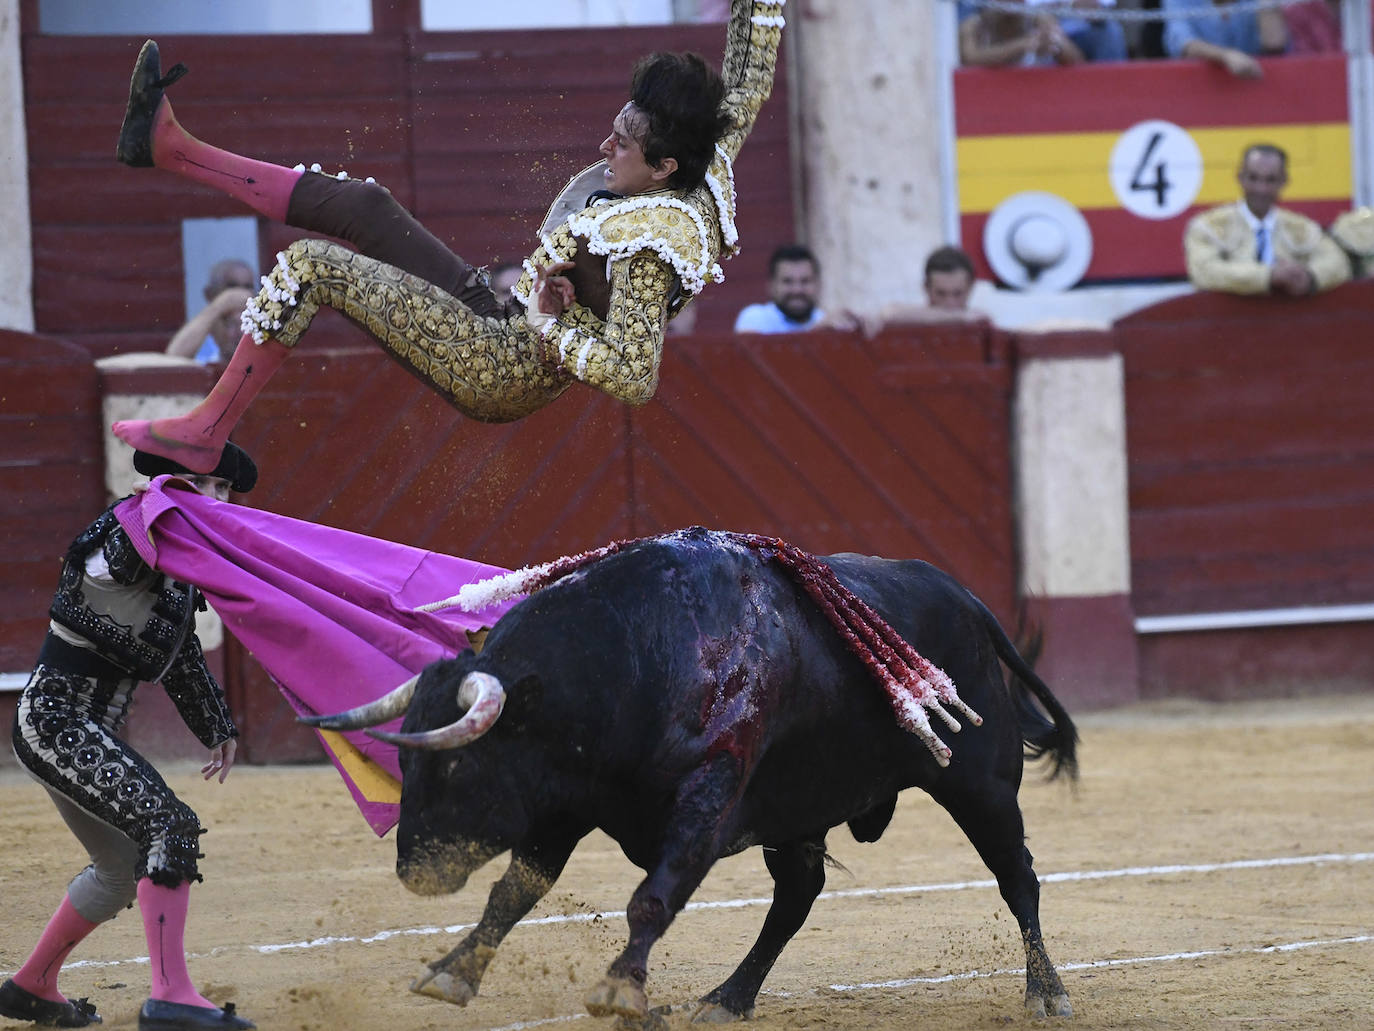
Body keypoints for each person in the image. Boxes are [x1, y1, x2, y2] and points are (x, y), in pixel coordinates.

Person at [111, 0, 785, 475]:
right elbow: (753, 63)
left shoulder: (652, 251)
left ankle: (205, 431)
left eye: (625, 144)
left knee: (313, 266)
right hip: (494, 315)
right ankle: (170, 149)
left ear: (666, 169)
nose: (605, 144)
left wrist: (552, 329)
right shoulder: (702, 144)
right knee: (367, 205)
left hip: (500, 367)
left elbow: (634, 377)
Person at [1, 444, 258, 1031]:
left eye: (222, 490)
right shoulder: (123, 533)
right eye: (197, 485)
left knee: (118, 868)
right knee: (168, 826)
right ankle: (170, 995)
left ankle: (31, 986)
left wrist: (215, 724)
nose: (213, 500)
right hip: (55, 719)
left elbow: (181, 652)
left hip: (81, 726)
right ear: (166, 484)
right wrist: (147, 512)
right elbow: (116, 562)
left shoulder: (179, 572)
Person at [1183, 143, 1350, 296]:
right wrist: (1268, 277)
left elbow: (1337, 262)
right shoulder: (1207, 227)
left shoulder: (1300, 228)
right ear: (1240, 178)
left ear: (1283, 181)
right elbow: (1203, 272)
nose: (1261, 189)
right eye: (1253, 178)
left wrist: (1310, 277)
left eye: (1270, 180)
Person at [853, 245, 987, 336]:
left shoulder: (980, 321)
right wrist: (959, 317)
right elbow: (889, 314)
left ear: (970, 288)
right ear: (926, 288)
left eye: (957, 293)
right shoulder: (909, 319)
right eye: (941, 293)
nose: (950, 302)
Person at [1162, 0, 1288, 78]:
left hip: (1259, 84)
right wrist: (1226, 56)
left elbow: (1274, 43)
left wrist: (1266, 4)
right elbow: (1183, 43)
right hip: (1202, 90)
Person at [165, 258, 255, 364]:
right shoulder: (202, 332)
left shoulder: (260, 323)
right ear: (209, 294)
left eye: (248, 286)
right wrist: (220, 305)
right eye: (231, 286)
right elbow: (173, 358)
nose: (239, 293)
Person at [732, 244, 830, 333]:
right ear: (771, 286)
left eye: (805, 281)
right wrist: (818, 333)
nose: (797, 290)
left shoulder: (825, 321)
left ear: (818, 285)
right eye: (787, 281)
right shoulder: (754, 318)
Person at [959, 0, 1085, 66]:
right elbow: (970, 58)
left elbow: (1076, 61)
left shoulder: (1040, 19)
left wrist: (1056, 45)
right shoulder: (974, 25)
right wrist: (1022, 45)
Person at [1026, 0, 1129, 62]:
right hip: (1036, 28)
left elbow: (1097, 8)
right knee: (1046, 38)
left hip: (1083, 28)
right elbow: (1029, 8)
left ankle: (1111, 86)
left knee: (1111, 30)